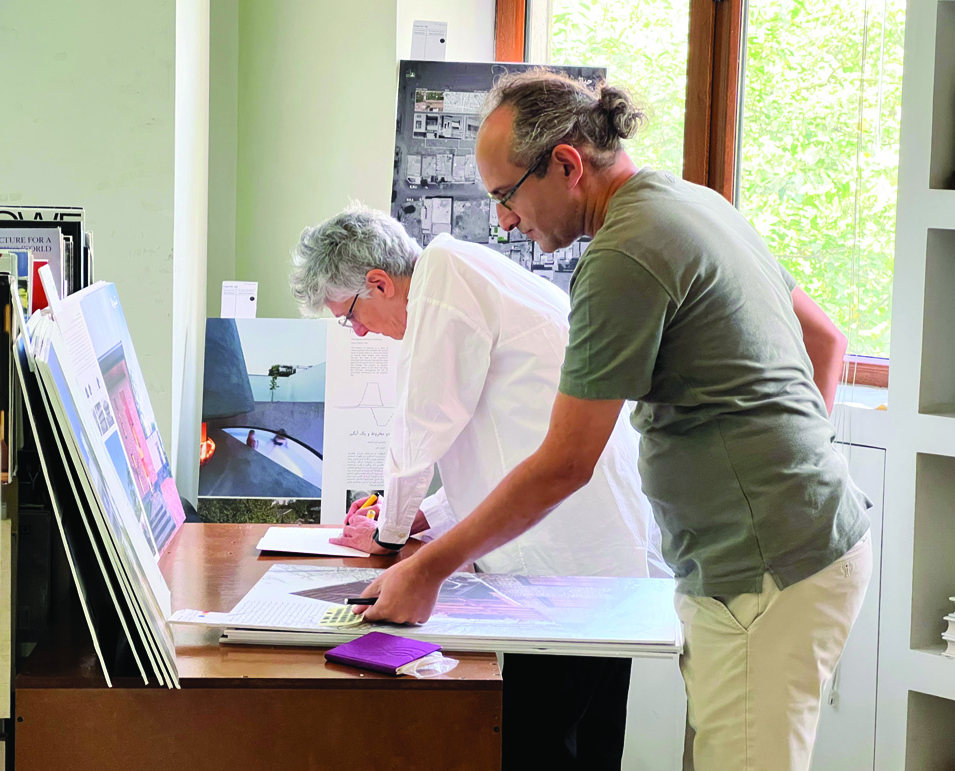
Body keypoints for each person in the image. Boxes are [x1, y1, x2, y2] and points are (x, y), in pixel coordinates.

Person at [352, 69, 873, 771]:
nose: (503, 219)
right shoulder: (690, 202)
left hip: (765, 568)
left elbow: (566, 461)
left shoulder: (623, 253)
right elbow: (825, 341)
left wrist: (426, 570)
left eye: (506, 195)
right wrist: (792, 462)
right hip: (792, 544)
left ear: (565, 164)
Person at [290, 203, 663, 769]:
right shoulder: (466, 274)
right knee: (590, 740)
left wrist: (390, 539)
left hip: (566, 566)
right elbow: (493, 445)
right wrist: (420, 517)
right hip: (597, 554)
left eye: (349, 315)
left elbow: (419, 430)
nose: (360, 330)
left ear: (378, 283)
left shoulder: (443, 279)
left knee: (537, 746)